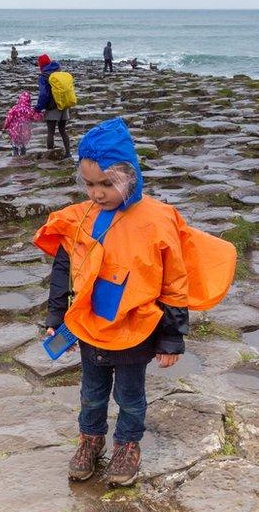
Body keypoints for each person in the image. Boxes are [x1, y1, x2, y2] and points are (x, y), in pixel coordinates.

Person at [33, 118, 236, 487]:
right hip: (90, 328)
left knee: (130, 395)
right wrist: (56, 314)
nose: (96, 193)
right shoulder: (80, 219)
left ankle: (127, 445)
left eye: (106, 184)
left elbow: (174, 281)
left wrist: (172, 338)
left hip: (136, 329)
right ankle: (90, 440)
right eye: (89, 183)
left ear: (129, 175)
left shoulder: (157, 220)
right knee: (91, 394)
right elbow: (64, 267)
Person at [34, 54, 72, 158]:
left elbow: (44, 94)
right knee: (63, 130)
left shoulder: (43, 76)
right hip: (64, 104)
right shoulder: (58, 71)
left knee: (51, 132)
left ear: (41, 65)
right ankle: (68, 154)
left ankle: (50, 155)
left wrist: (38, 108)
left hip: (52, 107)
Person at [3, 91, 40, 156]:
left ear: (20, 99)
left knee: (15, 145)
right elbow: (36, 118)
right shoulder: (30, 110)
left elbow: (9, 118)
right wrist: (41, 114)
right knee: (23, 145)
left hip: (15, 131)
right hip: (25, 131)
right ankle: (23, 157)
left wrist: (5, 126)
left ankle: (15, 156)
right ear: (29, 100)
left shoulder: (14, 108)